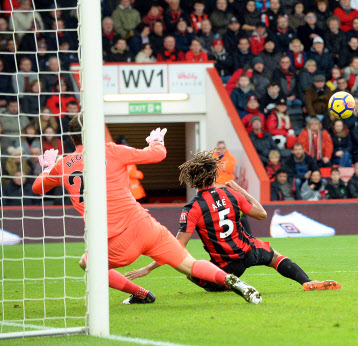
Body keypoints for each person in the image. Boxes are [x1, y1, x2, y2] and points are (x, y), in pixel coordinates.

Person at [33, 116, 262, 304]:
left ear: (72, 138)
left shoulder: (62, 165)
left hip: (114, 241)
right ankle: (234, 282)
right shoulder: (112, 150)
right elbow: (158, 155)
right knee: (190, 264)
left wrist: (46, 168)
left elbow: (37, 188)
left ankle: (141, 294)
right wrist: (156, 141)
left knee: (87, 262)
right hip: (145, 226)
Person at [127, 151, 339, 292]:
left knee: (192, 274)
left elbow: (176, 246)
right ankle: (307, 281)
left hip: (225, 264)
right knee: (275, 257)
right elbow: (261, 214)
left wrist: (148, 268)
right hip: (249, 250)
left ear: (192, 180)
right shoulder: (230, 194)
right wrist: (238, 188)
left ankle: (234, 285)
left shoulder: (192, 208)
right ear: (213, 175)